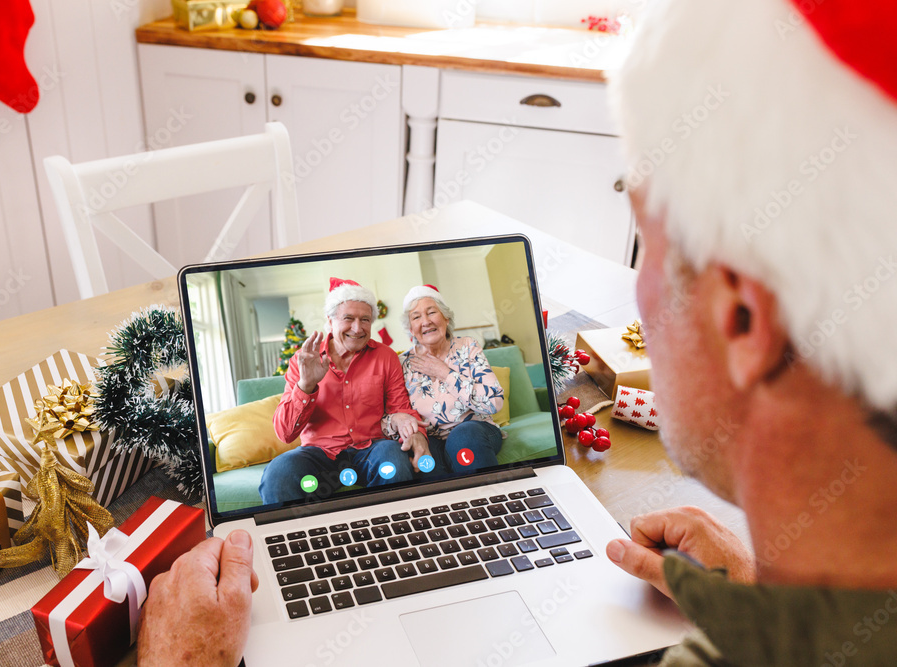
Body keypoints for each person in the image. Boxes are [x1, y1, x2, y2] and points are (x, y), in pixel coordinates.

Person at [140, 0, 897, 664]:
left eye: (650, 241)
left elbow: (432, 410)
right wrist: (757, 590)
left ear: (742, 319)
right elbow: (293, 423)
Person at [257, 277, 431, 504]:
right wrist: (306, 385)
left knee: (394, 460)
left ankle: (391, 535)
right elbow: (285, 433)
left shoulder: (385, 356)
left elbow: (401, 407)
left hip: (371, 449)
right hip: (319, 454)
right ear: (330, 321)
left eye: (365, 320)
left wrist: (418, 435)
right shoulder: (304, 360)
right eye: (348, 318)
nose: (357, 328)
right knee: (278, 474)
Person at [384, 285, 505, 475]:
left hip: (475, 430)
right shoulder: (402, 363)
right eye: (416, 317)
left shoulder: (467, 346)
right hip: (429, 438)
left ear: (446, 318)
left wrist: (446, 374)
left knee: (463, 437)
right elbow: (389, 416)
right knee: (427, 466)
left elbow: (494, 402)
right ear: (410, 328)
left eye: (432, 312)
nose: (426, 321)